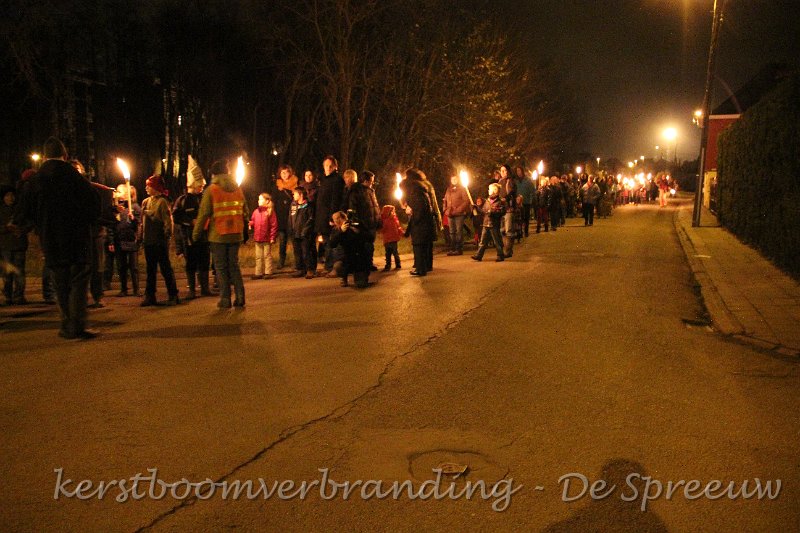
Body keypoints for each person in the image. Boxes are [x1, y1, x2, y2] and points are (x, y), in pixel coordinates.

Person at [14, 137, 100, 339]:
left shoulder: (36, 180)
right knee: (78, 281)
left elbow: (23, 210)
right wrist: (88, 220)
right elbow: (94, 203)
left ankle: (66, 324)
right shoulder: (75, 176)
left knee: (60, 282)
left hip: (50, 239)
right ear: (65, 155)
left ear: (44, 156)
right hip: (77, 239)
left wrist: (26, 225)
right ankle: (77, 325)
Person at [193, 159, 249, 308]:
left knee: (221, 267)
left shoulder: (212, 190)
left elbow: (203, 214)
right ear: (227, 172)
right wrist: (244, 230)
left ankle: (225, 299)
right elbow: (245, 211)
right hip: (236, 233)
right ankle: (240, 297)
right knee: (234, 266)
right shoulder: (237, 189)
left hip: (218, 234)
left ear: (213, 174)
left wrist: (196, 234)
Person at [139, 175, 179, 306]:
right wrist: (140, 236)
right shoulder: (145, 202)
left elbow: (168, 221)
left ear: (155, 187)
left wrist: (167, 235)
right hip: (148, 240)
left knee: (165, 268)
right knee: (150, 270)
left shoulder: (162, 202)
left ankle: (173, 294)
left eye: (149, 186)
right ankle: (150, 295)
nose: (146, 188)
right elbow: (142, 222)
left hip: (159, 241)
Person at [173, 170, 211, 299]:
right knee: (191, 263)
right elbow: (176, 217)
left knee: (204, 262)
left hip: (204, 236)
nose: (202, 187)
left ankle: (205, 288)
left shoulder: (204, 198)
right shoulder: (182, 200)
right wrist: (190, 222)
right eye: (199, 185)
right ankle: (192, 290)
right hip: (189, 237)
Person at [399, 168, 437, 276]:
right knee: (425, 246)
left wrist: (412, 214)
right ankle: (426, 266)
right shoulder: (421, 188)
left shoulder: (415, 192)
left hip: (420, 224)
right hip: (426, 223)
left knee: (419, 246)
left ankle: (420, 269)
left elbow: (420, 209)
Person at [109, 184, 141, 297]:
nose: (117, 193)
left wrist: (134, 219)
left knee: (134, 267)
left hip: (131, 241)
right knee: (121, 266)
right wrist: (111, 241)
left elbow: (138, 224)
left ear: (128, 194)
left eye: (120, 191)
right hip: (119, 240)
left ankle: (136, 289)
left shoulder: (135, 207)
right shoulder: (117, 209)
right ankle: (124, 289)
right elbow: (112, 226)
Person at [315, 156, 345, 274]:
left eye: (330, 165)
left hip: (330, 217)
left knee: (332, 242)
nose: (328, 168)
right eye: (326, 165)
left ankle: (332, 267)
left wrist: (332, 217)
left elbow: (335, 200)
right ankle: (328, 266)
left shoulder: (337, 180)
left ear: (335, 167)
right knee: (326, 242)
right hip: (322, 216)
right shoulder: (324, 180)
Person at [0, 185, 28, 305]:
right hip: (5, 245)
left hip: (19, 244)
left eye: (12, 195)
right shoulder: (1, 210)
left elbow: (29, 223)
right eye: (7, 195)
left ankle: (19, 296)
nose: (10, 198)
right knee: (7, 272)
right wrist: (6, 228)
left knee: (19, 271)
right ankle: (8, 296)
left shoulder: (20, 210)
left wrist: (21, 230)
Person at [329, 210, 369, 288]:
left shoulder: (356, 224)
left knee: (360, 284)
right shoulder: (336, 230)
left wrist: (358, 232)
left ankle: (360, 275)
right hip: (346, 258)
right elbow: (332, 244)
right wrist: (341, 231)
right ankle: (343, 277)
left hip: (359, 257)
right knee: (338, 266)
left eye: (337, 219)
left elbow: (369, 238)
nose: (336, 222)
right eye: (335, 220)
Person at [271, 164, 297, 270]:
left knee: (295, 240)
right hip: (281, 217)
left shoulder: (295, 183)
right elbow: (274, 200)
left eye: (286, 172)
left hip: (292, 217)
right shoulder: (277, 186)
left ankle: (297, 261)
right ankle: (281, 260)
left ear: (290, 172)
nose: (284, 174)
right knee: (282, 241)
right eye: (282, 172)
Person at [471, 183, 505, 262]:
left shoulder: (500, 202)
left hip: (494, 224)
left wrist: (493, 212)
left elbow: (502, 212)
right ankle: (479, 255)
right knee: (482, 241)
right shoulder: (487, 201)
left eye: (491, 189)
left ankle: (500, 255)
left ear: (495, 191)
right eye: (489, 189)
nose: (489, 191)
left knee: (497, 241)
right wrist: (476, 208)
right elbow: (483, 211)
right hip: (486, 223)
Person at [249, 192, 278, 279]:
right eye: (259, 199)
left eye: (261, 199)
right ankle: (258, 273)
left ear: (267, 201)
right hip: (258, 237)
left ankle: (268, 272)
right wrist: (250, 223)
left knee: (267, 255)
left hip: (267, 238)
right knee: (258, 256)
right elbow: (253, 221)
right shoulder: (256, 211)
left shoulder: (270, 212)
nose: (259, 201)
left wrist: (272, 237)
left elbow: (273, 225)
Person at [288, 187, 316, 279]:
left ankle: (310, 269)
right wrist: (290, 229)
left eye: (295, 194)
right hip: (295, 232)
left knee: (306, 251)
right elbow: (290, 218)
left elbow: (310, 219)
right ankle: (300, 269)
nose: (293, 195)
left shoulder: (308, 205)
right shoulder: (293, 205)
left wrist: (305, 231)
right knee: (297, 252)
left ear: (301, 195)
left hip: (305, 233)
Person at [442, 174, 472, 255]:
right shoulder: (448, 189)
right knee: (451, 231)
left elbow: (466, 201)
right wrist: (445, 209)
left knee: (459, 231)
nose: (454, 181)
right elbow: (445, 200)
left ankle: (459, 249)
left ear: (458, 180)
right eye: (452, 179)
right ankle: (452, 248)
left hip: (459, 213)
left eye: (455, 179)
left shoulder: (462, 189)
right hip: (450, 213)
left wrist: (459, 209)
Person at [359, 170, 382, 270]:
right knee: (366, 246)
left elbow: (375, 206)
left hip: (372, 223)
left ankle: (369, 263)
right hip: (366, 223)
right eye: (371, 181)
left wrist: (378, 221)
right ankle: (366, 265)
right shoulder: (360, 192)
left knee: (370, 245)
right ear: (365, 181)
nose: (373, 183)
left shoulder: (371, 191)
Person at [379, 205, 403, 270]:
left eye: (393, 211)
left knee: (395, 252)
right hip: (387, 239)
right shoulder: (384, 220)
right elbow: (382, 230)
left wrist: (401, 232)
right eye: (391, 211)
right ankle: (388, 264)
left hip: (393, 239)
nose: (392, 212)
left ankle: (397, 264)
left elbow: (398, 227)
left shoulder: (394, 219)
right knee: (388, 253)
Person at [515, 166, 535, 237]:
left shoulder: (528, 180)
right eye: (517, 171)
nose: (518, 172)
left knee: (526, 217)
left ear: (522, 171)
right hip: (518, 203)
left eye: (519, 170)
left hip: (526, 202)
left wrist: (531, 200)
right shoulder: (516, 181)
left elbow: (532, 191)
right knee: (519, 218)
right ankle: (519, 232)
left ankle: (526, 231)